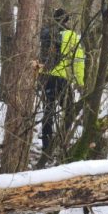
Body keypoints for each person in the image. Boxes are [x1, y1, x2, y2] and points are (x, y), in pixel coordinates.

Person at [39, 8, 85, 154]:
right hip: (62, 78)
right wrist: (80, 81)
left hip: (46, 77)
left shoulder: (46, 34)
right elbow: (78, 60)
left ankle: (46, 145)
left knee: (48, 110)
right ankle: (63, 143)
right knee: (70, 110)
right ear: (67, 20)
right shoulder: (71, 36)